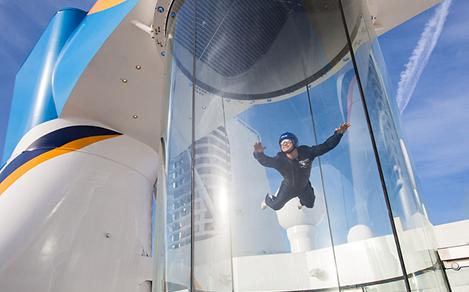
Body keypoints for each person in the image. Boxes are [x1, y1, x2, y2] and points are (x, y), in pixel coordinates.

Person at [253, 122, 350, 211]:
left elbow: (326, 146)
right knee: (276, 206)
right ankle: (267, 200)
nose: (284, 144)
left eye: (287, 142)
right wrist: (258, 153)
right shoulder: (280, 160)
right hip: (288, 188)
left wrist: (338, 134)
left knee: (310, 204)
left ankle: (301, 201)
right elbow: (266, 161)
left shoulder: (306, 152)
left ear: (294, 143)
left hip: (304, 186)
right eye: (282, 143)